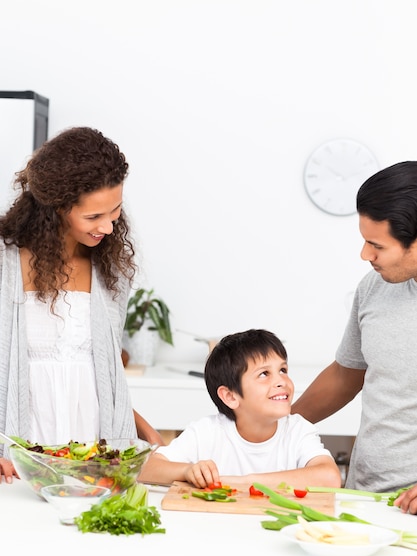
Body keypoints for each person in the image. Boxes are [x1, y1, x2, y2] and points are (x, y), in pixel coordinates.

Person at [0, 126, 164, 484]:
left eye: (115, 211)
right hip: (17, 455)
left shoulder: (111, 274)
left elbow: (97, 374)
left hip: (94, 457)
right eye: (93, 217)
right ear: (57, 208)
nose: (107, 227)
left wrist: (141, 428)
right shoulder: (5, 266)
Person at [291, 161, 417, 514]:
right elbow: (348, 374)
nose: (365, 255)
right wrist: (282, 427)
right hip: (362, 496)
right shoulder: (375, 287)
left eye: (377, 245)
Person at [139, 329, 341, 488]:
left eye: (283, 370)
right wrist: (187, 471)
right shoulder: (206, 432)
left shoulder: (298, 430)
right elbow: (145, 469)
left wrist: (246, 482)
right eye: (264, 374)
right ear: (230, 396)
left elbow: (330, 477)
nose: (282, 381)